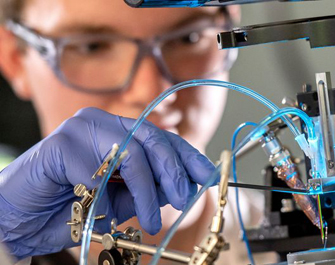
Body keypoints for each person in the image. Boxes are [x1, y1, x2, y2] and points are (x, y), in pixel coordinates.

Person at [0, 0, 275, 264]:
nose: (153, 91)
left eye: (188, 38)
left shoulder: (301, 248)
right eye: (93, 47)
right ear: (14, 57)